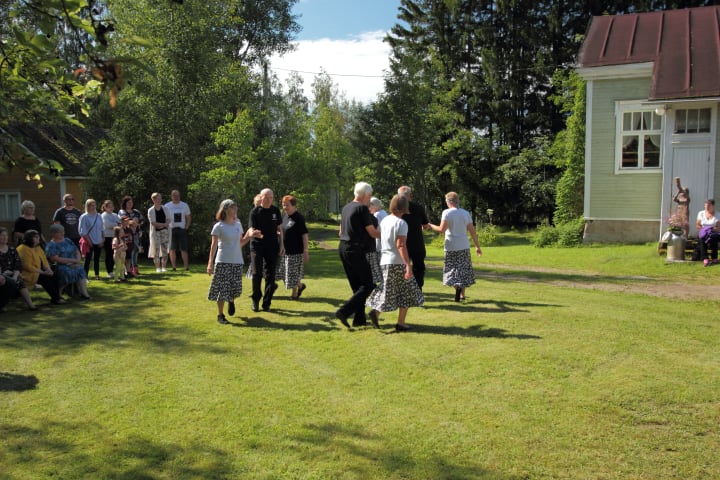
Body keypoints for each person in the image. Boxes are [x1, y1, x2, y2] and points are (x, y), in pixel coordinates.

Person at [367, 195, 424, 331]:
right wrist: (407, 265)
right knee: (407, 292)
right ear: (405, 207)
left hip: (385, 260)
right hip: (397, 261)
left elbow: (377, 235)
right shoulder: (401, 223)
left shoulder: (385, 220)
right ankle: (399, 322)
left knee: (389, 290)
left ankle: (378, 313)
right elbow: (401, 245)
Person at [335, 181, 380, 328]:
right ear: (366, 195)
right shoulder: (362, 208)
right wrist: (389, 235)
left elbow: (341, 231)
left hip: (343, 247)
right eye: (370, 195)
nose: (370, 198)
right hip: (355, 250)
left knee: (358, 287)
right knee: (368, 285)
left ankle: (359, 320)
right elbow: (372, 232)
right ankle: (344, 311)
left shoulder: (346, 207)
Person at [207, 199, 258, 324]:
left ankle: (231, 300)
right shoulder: (218, 226)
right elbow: (213, 246)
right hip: (223, 260)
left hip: (237, 261)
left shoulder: (238, 224)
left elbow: (240, 243)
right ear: (225, 209)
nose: (235, 210)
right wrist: (210, 263)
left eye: (236, 207)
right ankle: (220, 315)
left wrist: (250, 236)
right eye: (232, 207)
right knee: (222, 289)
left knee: (236, 289)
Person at [429, 191, 482, 301]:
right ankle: (462, 295)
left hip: (451, 246)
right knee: (462, 270)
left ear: (449, 201)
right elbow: (472, 232)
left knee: (450, 269)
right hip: (463, 246)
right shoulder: (465, 213)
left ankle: (457, 287)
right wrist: (477, 246)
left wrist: (430, 225)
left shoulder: (447, 213)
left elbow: (441, 229)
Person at [248, 188, 283, 312]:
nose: (269, 199)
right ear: (261, 197)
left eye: (271, 197)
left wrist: (282, 245)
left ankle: (267, 303)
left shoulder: (275, 211)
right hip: (257, 246)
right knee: (256, 273)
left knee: (271, 275)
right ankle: (255, 300)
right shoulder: (255, 212)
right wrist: (255, 233)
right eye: (266, 197)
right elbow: (251, 229)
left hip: (272, 246)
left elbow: (280, 229)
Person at [17, 229, 64, 305]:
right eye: (36, 237)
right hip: (28, 273)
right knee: (45, 278)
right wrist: (43, 272)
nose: (38, 238)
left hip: (39, 271)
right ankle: (56, 298)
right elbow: (27, 266)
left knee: (55, 275)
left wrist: (49, 270)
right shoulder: (23, 249)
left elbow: (44, 260)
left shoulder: (38, 248)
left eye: (38, 237)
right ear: (29, 238)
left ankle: (57, 296)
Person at [45, 224, 90, 299]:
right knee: (66, 272)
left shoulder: (67, 240)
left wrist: (77, 261)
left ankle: (84, 293)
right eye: (60, 232)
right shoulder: (51, 245)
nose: (63, 233)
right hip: (60, 265)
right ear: (54, 233)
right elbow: (55, 259)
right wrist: (72, 261)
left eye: (63, 231)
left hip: (74, 263)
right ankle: (58, 293)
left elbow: (76, 251)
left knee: (80, 269)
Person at [398, 185, 430, 289]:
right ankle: (418, 289)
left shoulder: (397, 209)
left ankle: (403, 289)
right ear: (410, 195)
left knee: (401, 267)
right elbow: (425, 225)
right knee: (419, 268)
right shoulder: (418, 208)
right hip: (417, 243)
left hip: (402, 243)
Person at [278, 195, 309, 300]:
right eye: (283, 205)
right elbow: (282, 230)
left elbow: (304, 235)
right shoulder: (284, 216)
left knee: (292, 273)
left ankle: (294, 294)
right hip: (285, 250)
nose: (285, 207)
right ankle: (300, 286)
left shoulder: (298, 218)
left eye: (287, 205)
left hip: (296, 251)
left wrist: (306, 251)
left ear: (294, 205)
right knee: (283, 272)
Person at [0, 227, 38, 310]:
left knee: (18, 282)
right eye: (2, 235)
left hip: (13, 274)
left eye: (6, 235)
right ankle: (1, 305)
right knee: (10, 282)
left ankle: (31, 305)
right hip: (2, 276)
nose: (5, 237)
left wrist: (14, 276)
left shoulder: (12, 250)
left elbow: (18, 265)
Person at [165, 189, 191, 271]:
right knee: (172, 249)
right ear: (171, 196)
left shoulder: (184, 205)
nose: (176, 197)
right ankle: (173, 267)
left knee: (184, 249)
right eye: (174, 196)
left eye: (177, 196)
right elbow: (164, 218)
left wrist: (186, 227)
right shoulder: (167, 206)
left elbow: (188, 217)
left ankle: (186, 267)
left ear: (179, 196)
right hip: (171, 229)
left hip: (181, 229)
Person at [118, 195, 144, 276]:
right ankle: (129, 269)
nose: (130, 204)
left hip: (136, 233)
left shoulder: (136, 211)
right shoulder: (122, 211)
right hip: (127, 234)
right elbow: (124, 221)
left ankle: (135, 268)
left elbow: (142, 220)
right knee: (129, 251)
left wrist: (136, 223)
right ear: (125, 203)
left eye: (131, 202)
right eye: (128, 202)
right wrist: (134, 222)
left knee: (136, 250)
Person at [78, 199, 104, 280]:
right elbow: (82, 231)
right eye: (91, 205)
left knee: (97, 259)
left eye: (94, 205)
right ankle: (85, 276)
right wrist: (89, 242)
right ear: (87, 206)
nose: (93, 207)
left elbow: (102, 229)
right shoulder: (84, 217)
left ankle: (97, 275)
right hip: (88, 241)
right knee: (87, 260)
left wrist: (103, 240)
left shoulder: (99, 216)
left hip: (99, 241)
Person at [147, 192, 171, 273]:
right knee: (156, 250)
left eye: (160, 199)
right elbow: (153, 222)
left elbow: (168, 219)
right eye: (157, 199)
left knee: (164, 249)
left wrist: (164, 225)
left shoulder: (165, 209)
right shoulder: (150, 210)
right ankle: (157, 267)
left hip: (165, 231)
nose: (159, 200)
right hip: (155, 232)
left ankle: (164, 267)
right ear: (153, 200)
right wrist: (162, 225)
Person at [367, 197, 387, 285]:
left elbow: (376, 229)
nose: (369, 208)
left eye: (370, 206)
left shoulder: (377, 215)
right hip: (385, 243)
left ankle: (383, 285)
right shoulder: (384, 213)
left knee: (379, 266)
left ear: (374, 206)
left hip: (379, 244)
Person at [696, 199, 720, 267]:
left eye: (709, 206)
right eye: (705, 206)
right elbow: (697, 225)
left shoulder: (717, 214)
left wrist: (710, 229)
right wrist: (704, 230)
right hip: (703, 232)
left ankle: (714, 258)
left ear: (713, 206)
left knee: (713, 238)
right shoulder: (701, 213)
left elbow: (719, 227)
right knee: (702, 238)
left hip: (714, 232)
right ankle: (705, 258)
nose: (707, 208)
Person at [101, 199, 121, 278]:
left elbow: (119, 223)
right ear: (105, 207)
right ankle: (109, 271)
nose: (111, 208)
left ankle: (113, 270)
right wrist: (116, 224)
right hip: (107, 237)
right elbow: (108, 225)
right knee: (108, 254)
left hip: (115, 237)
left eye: (112, 206)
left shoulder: (115, 215)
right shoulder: (104, 215)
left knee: (115, 254)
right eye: (109, 206)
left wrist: (116, 224)